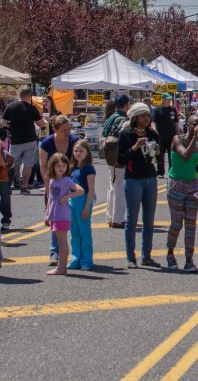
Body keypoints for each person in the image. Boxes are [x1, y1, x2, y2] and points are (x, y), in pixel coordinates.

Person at [118, 102, 162, 269]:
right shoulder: (126, 134)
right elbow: (120, 159)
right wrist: (135, 147)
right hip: (133, 179)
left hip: (150, 177)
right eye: (143, 115)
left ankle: (147, 256)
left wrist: (156, 152)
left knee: (149, 220)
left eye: (147, 115)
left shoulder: (152, 134)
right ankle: (131, 257)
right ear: (135, 117)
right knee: (132, 219)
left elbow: (157, 155)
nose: (146, 118)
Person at [165, 113, 198, 272]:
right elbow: (185, 156)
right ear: (187, 124)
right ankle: (170, 253)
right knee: (176, 223)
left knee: (191, 224)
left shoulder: (197, 142)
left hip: (192, 186)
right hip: (177, 185)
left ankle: (189, 258)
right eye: (195, 123)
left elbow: (194, 163)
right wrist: (195, 138)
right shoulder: (178, 139)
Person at [38, 115, 79, 265]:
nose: (68, 132)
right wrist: (48, 184)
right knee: (55, 219)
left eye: (69, 128)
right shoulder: (47, 143)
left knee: (74, 218)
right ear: (55, 129)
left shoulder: (74, 140)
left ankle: (76, 253)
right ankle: (54, 253)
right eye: (64, 130)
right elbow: (43, 165)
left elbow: (80, 159)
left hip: (70, 182)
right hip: (54, 184)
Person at [45, 153, 84, 276]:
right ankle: (61, 267)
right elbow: (50, 197)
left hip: (62, 213)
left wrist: (67, 196)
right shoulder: (52, 180)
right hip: (54, 213)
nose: (61, 168)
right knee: (60, 241)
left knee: (62, 242)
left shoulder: (66, 180)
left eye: (63, 165)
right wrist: (47, 214)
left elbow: (81, 190)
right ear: (52, 166)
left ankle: (61, 268)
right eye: (58, 166)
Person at [1, 87, 41, 195]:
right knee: (28, 164)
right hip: (30, 140)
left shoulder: (10, 107)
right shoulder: (32, 108)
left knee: (12, 164)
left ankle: (8, 186)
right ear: (28, 96)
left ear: (20, 95)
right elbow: (40, 123)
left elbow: (3, 122)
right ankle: (24, 187)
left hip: (16, 140)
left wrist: (12, 126)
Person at [102, 95, 131, 229]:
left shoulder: (110, 118)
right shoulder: (123, 119)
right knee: (119, 187)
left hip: (109, 155)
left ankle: (110, 215)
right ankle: (118, 218)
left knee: (112, 185)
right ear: (127, 104)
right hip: (118, 155)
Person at [67, 140, 96, 271]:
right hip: (72, 200)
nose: (78, 153)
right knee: (74, 232)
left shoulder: (88, 168)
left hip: (83, 200)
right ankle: (75, 258)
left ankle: (87, 260)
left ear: (87, 153)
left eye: (81, 151)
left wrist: (86, 207)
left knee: (84, 232)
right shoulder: (73, 168)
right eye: (76, 151)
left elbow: (91, 189)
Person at [152, 93, 179, 177]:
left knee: (172, 154)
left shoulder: (173, 109)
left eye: (169, 100)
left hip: (172, 135)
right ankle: (160, 171)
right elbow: (153, 121)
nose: (169, 101)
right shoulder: (157, 109)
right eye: (167, 99)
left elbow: (176, 122)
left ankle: (171, 171)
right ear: (163, 100)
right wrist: (154, 130)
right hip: (161, 135)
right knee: (160, 154)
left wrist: (178, 132)